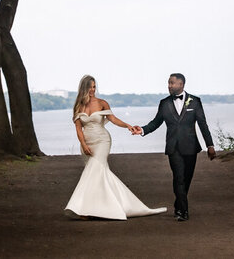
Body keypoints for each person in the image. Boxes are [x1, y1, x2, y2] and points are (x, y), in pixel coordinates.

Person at [65, 75, 167, 220]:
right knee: (98, 174)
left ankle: (84, 210)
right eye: (90, 87)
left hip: (102, 141)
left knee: (94, 170)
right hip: (87, 143)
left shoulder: (102, 103)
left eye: (94, 87)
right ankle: (106, 206)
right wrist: (83, 145)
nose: (93, 90)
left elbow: (113, 119)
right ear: (84, 88)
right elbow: (78, 129)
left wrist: (127, 125)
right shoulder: (78, 106)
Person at [132, 73, 216, 221]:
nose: (169, 86)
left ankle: (179, 205)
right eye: (168, 83)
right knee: (179, 178)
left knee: (187, 179)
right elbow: (156, 122)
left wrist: (210, 145)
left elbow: (203, 124)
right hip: (173, 147)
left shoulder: (195, 101)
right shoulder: (164, 103)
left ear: (181, 84)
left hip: (191, 147)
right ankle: (183, 211)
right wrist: (143, 130)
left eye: (172, 83)